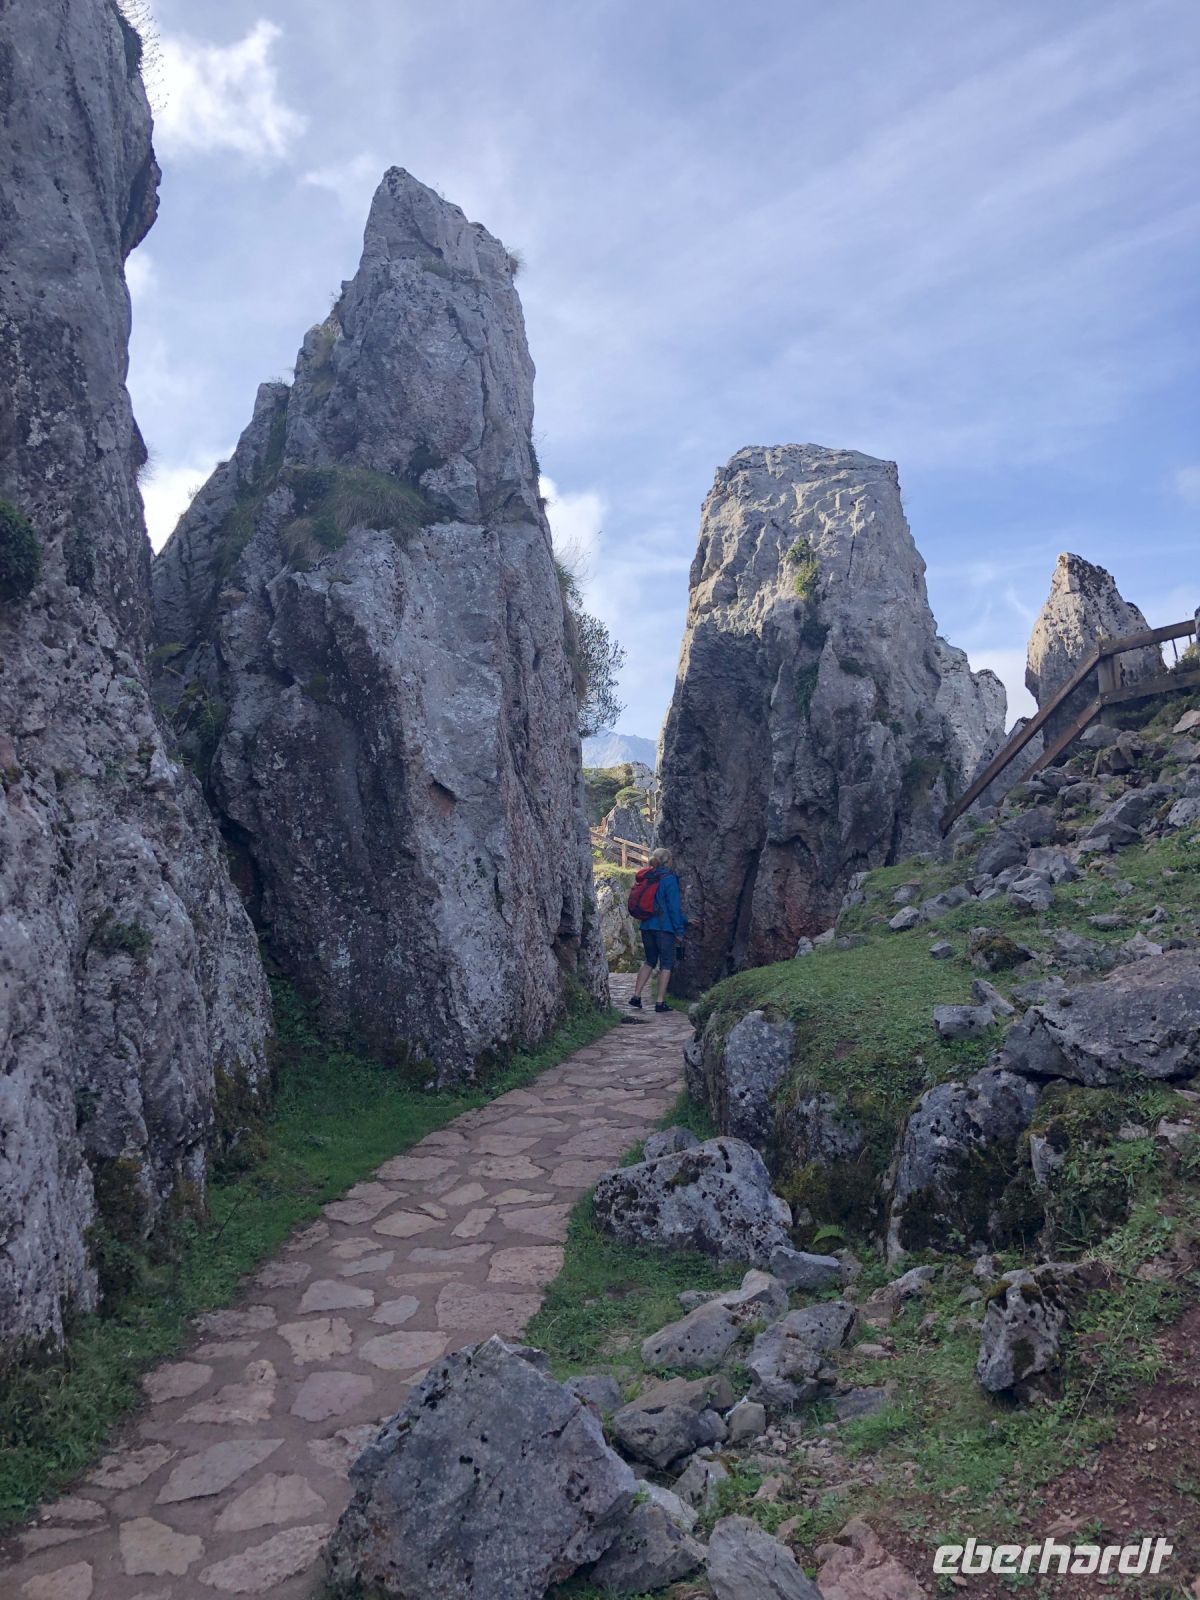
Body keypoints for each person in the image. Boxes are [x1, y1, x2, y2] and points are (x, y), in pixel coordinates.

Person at [628, 846, 688, 1013]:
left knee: (649, 960)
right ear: (668, 861)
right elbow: (673, 908)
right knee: (666, 963)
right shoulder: (669, 879)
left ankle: (636, 996)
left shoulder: (647, 876)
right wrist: (680, 930)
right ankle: (660, 1002)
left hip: (646, 925)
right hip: (664, 928)